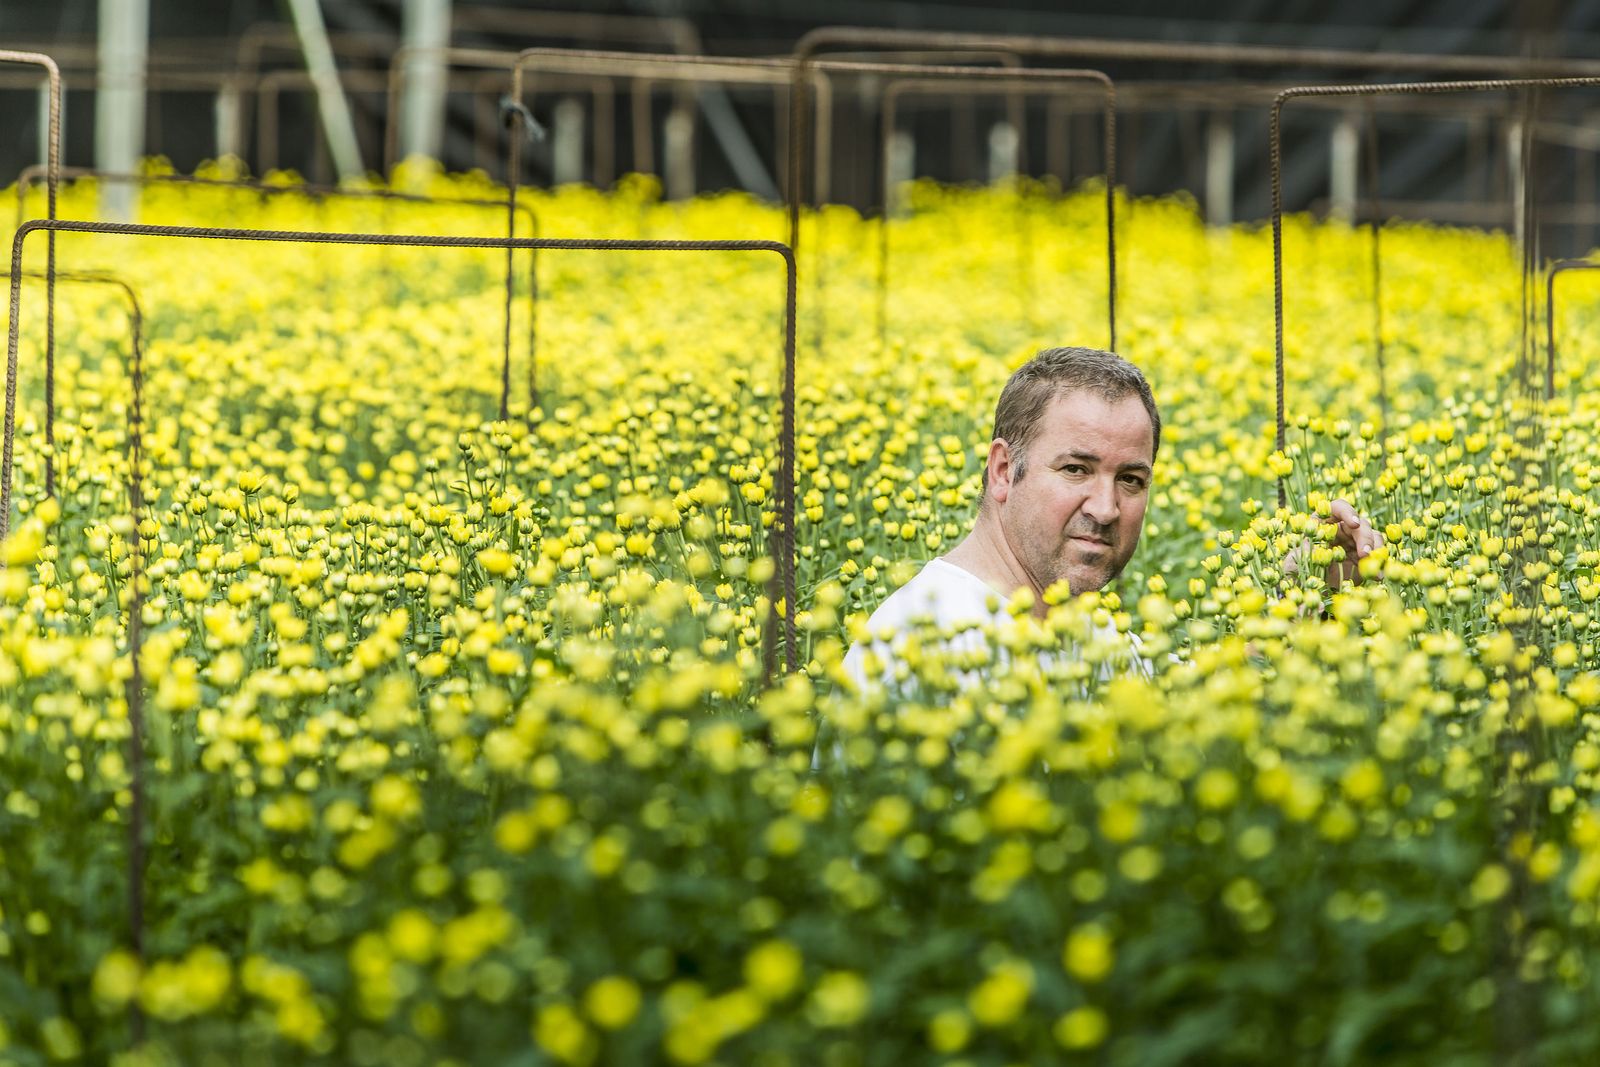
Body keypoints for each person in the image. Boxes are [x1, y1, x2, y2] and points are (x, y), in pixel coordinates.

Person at [841, 346, 1383, 691]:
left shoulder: (1090, 626)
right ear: (1004, 471)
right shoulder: (915, 646)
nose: (1105, 509)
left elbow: (1170, 730)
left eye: (1131, 480)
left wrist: (1301, 594)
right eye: (1076, 469)